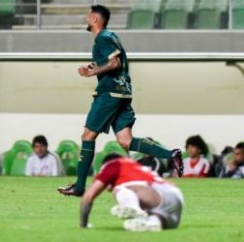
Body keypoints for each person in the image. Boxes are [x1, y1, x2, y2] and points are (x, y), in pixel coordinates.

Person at [58, 4, 183, 196]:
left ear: (94, 19)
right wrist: (97, 65)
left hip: (110, 94)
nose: (85, 19)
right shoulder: (111, 36)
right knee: (126, 140)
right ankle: (171, 154)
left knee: (87, 136)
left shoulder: (102, 37)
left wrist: (93, 72)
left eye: (87, 16)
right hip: (123, 93)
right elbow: (114, 61)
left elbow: (115, 63)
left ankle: (80, 186)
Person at [79, 153, 184, 232]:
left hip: (156, 195)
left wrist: (84, 225)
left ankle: (135, 209)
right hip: (175, 205)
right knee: (151, 219)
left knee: (119, 189)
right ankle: (153, 222)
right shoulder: (136, 167)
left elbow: (88, 197)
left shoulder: (113, 165)